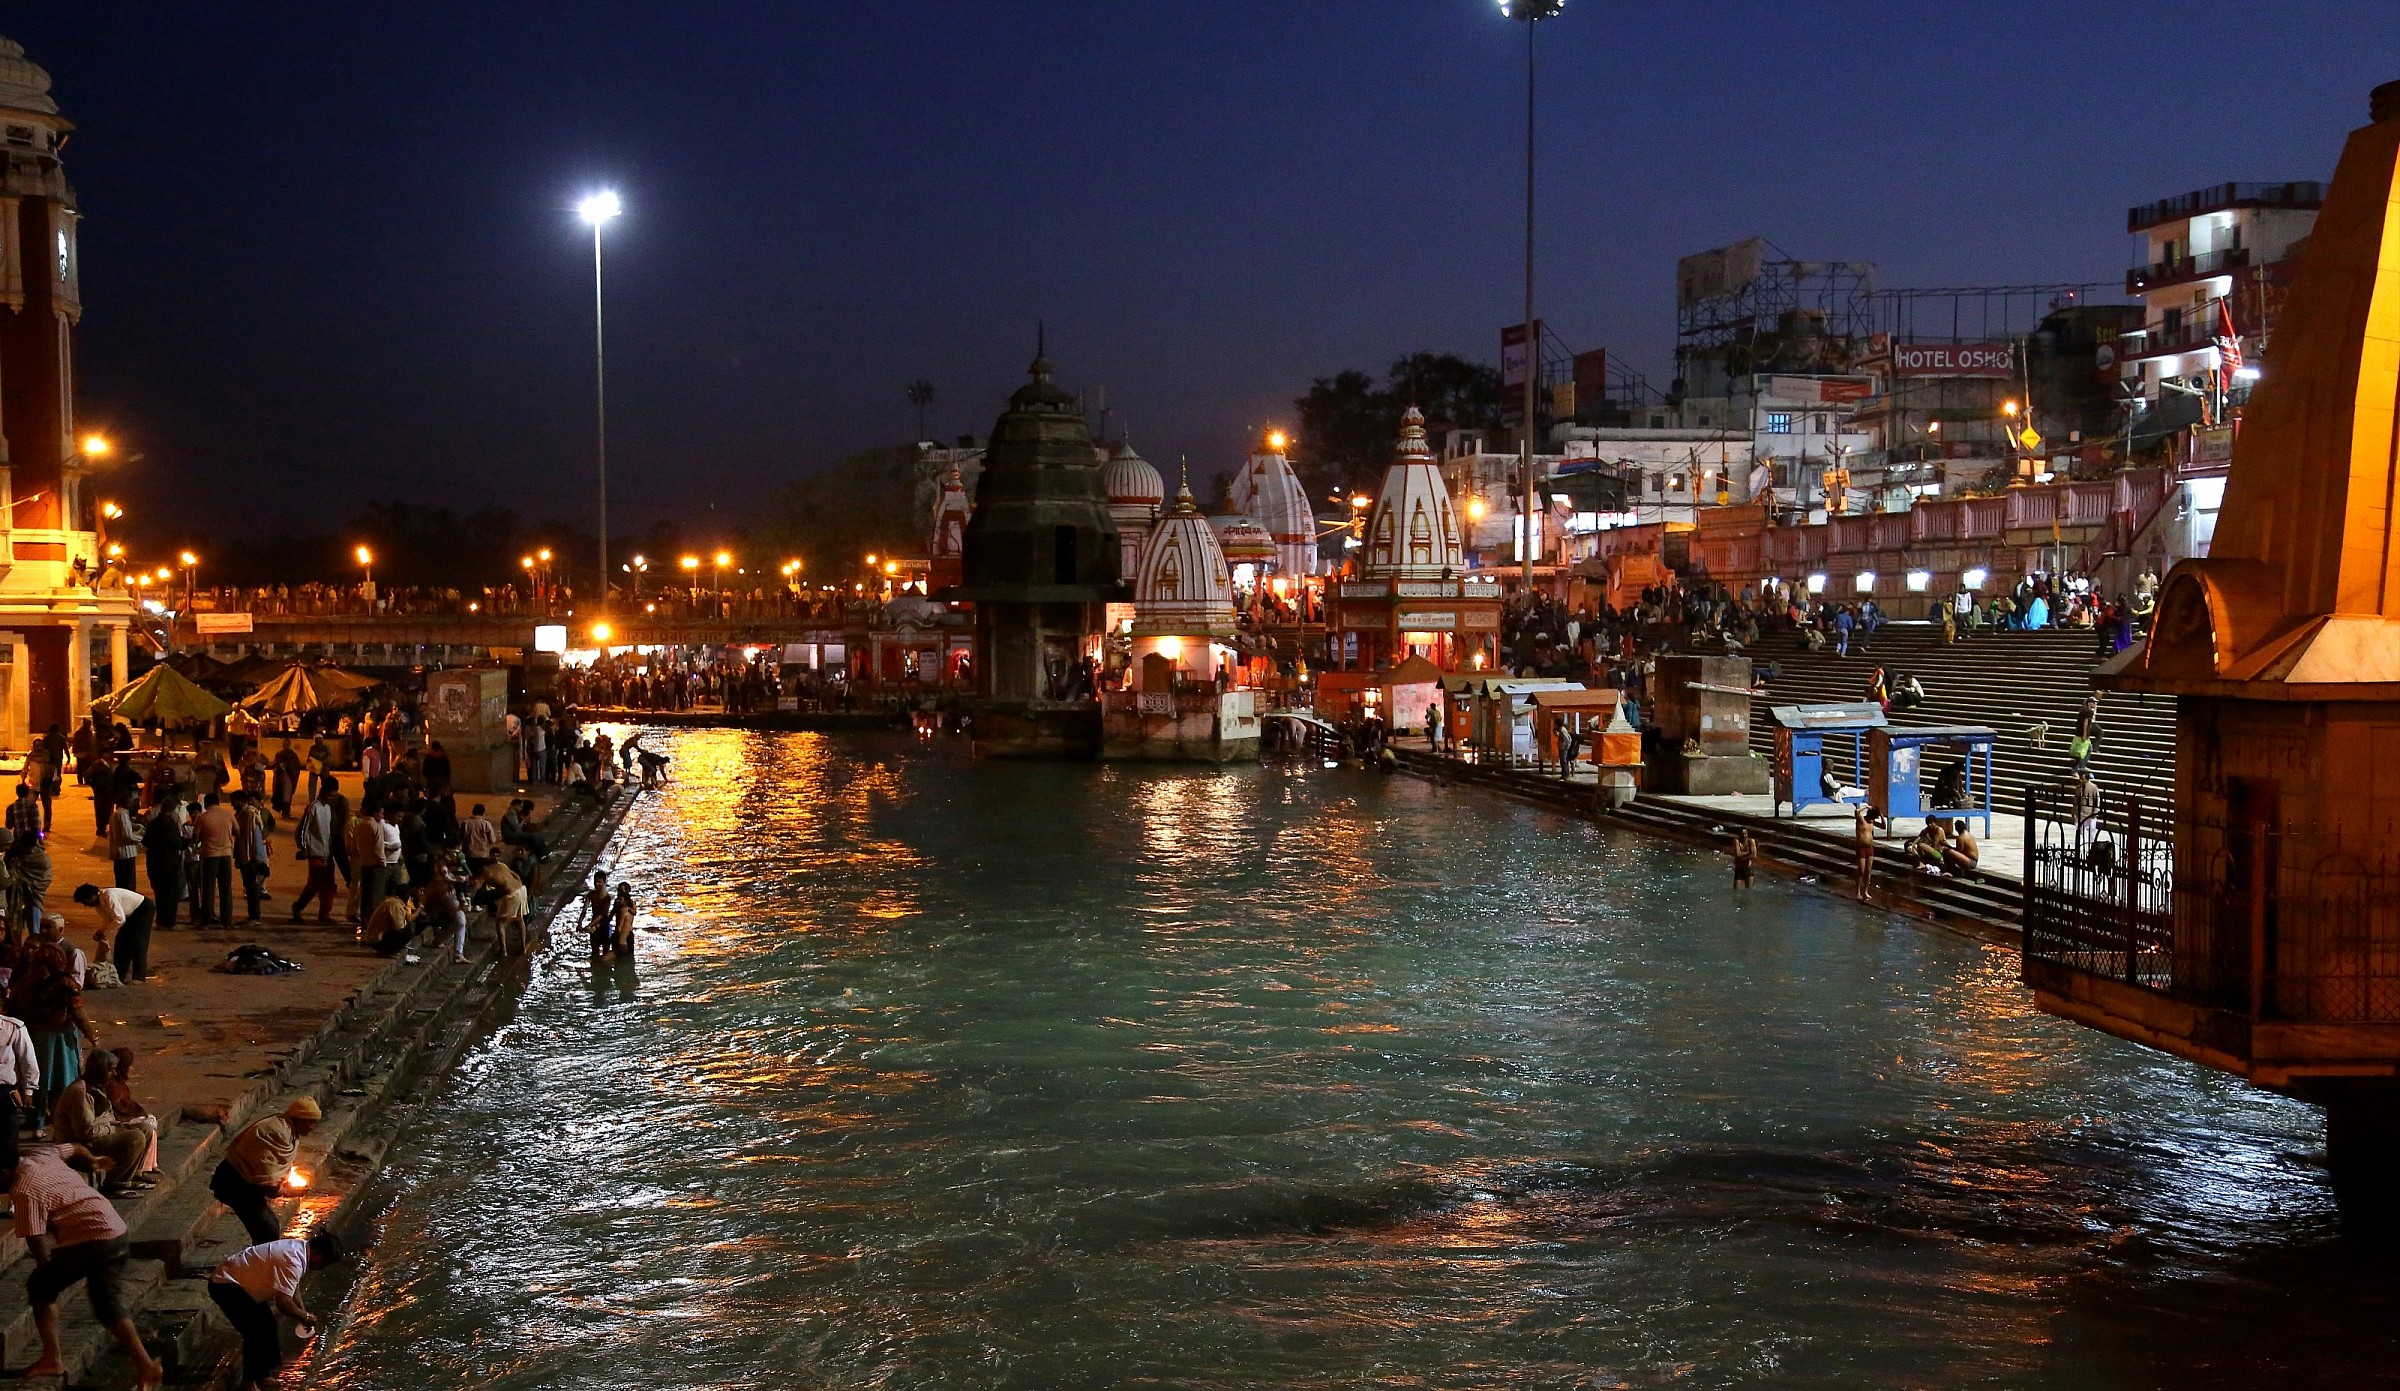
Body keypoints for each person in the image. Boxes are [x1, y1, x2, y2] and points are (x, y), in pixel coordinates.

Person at [11, 1143, 164, 1388]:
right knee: (107, 1303)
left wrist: (44, 1268)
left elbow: (36, 1239)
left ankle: (52, 1359)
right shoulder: (42, 1154)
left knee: (41, 1289)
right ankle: (146, 1364)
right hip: (116, 1230)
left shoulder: (24, 1189)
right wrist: (92, 1161)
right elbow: (75, 1148)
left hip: (91, 1240)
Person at [208, 1228, 345, 1391]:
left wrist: (302, 1309)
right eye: (325, 1263)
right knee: (255, 1331)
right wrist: (304, 1316)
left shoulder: (299, 1249)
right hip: (227, 1285)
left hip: (242, 1284)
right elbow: (284, 1303)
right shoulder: (293, 1260)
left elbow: (292, 1286)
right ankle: (248, 1382)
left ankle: (262, 1374)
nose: (323, 1267)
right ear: (318, 1253)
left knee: (268, 1324)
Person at [9, 916, 93, 1117]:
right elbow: (77, 1011)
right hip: (60, 1040)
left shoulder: (26, 982)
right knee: (63, 1078)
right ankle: (59, 1117)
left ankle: (38, 1116)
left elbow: (14, 1008)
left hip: (36, 1037)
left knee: (40, 1077)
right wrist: (92, 1035)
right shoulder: (65, 983)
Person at [212, 1097, 320, 1246]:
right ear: (299, 1119)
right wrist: (288, 1191)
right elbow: (266, 1178)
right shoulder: (277, 1132)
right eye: (310, 1122)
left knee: (269, 1229)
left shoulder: (287, 1129)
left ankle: (257, 1261)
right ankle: (255, 1264)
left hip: (245, 1183)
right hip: (233, 1183)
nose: (312, 1127)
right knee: (267, 1231)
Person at [49, 1050, 149, 1194]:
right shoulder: (79, 1091)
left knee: (145, 1128)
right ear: (99, 1070)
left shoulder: (98, 1088)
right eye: (111, 1070)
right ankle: (116, 1183)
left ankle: (133, 1174)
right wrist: (110, 1128)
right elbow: (86, 1132)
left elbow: (108, 1117)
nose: (114, 1074)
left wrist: (109, 1124)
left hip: (96, 1134)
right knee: (136, 1137)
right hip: (78, 1145)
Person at [73, 884, 154, 985]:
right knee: (121, 943)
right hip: (128, 914)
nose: (86, 905)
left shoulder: (109, 895)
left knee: (138, 942)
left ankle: (139, 977)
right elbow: (109, 919)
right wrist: (101, 931)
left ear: (92, 896)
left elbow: (119, 919)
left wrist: (105, 933)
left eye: (85, 901)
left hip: (142, 909)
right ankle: (119, 974)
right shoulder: (99, 905)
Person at [291, 783, 337, 924]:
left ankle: (324, 914)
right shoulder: (314, 807)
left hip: (326, 853)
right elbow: (302, 829)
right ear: (323, 792)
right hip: (314, 852)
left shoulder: (327, 808)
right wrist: (304, 848)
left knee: (329, 885)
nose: (331, 798)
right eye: (330, 795)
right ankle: (298, 908)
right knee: (315, 884)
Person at [142, 796, 187, 933]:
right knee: (171, 894)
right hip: (168, 864)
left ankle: (161, 921)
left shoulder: (153, 823)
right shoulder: (169, 823)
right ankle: (169, 922)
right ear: (172, 810)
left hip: (154, 864)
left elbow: (145, 842)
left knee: (160, 894)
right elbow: (178, 843)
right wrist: (188, 841)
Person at [0, 1001, 35, 1174]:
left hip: (4, 1092)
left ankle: (8, 1178)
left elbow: (27, 1059)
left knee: (8, 1135)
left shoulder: (13, 1028)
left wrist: (29, 1088)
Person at [194, 792, 237, 928]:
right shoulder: (229, 815)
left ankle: (205, 921)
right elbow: (238, 831)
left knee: (208, 889)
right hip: (226, 854)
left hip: (209, 855)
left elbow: (195, 838)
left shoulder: (202, 817)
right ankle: (227, 921)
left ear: (206, 804)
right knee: (226, 889)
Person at [235, 792, 274, 927]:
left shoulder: (250, 814)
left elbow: (256, 837)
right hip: (245, 857)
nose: (233, 805)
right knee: (250, 887)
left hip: (250, 858)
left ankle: (254, 917)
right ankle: (252, 916)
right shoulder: (243, 814)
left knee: (252, 888)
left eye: (234, 801)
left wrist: (259, 859)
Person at [106, 792, 142, 893]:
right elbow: (128, 836)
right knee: (128, 884)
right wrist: (141, 838)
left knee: (121, 882)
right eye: (130, 802)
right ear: (125, 803)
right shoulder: (122, 814)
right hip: (125, 854)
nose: (132, 805)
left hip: (119, 853)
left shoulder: (117, 814)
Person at [460, 802, 498, 874]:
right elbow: (492, 840)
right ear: (483, 813)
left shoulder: (465, 823)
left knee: (469, 875)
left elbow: (460, 838)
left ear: (473, 811)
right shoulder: (486, 824)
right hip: (482, 855)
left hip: (468, 854)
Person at [1852, 805, 1878, 902]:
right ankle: (1857, 891)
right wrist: (1866, 806)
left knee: (1868, 871)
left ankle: (1865, 891)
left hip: (1869, 848)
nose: (1873, 819)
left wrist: (1881, 815)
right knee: (1861, 871)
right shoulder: (1861, 820)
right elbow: (1856, 811)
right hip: (1861, 848)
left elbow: (1883, 826)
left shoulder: (1872, 822)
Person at [610, 881, 637, 958]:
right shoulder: (617, 903)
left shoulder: (631, 904)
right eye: (618, 890)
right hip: (619, 935)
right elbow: (611, 915)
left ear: (627, 891)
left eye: (621, 891)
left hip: (627, 934)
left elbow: (634, 912)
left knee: (629, 958)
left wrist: (628, 909)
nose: (619, 893)